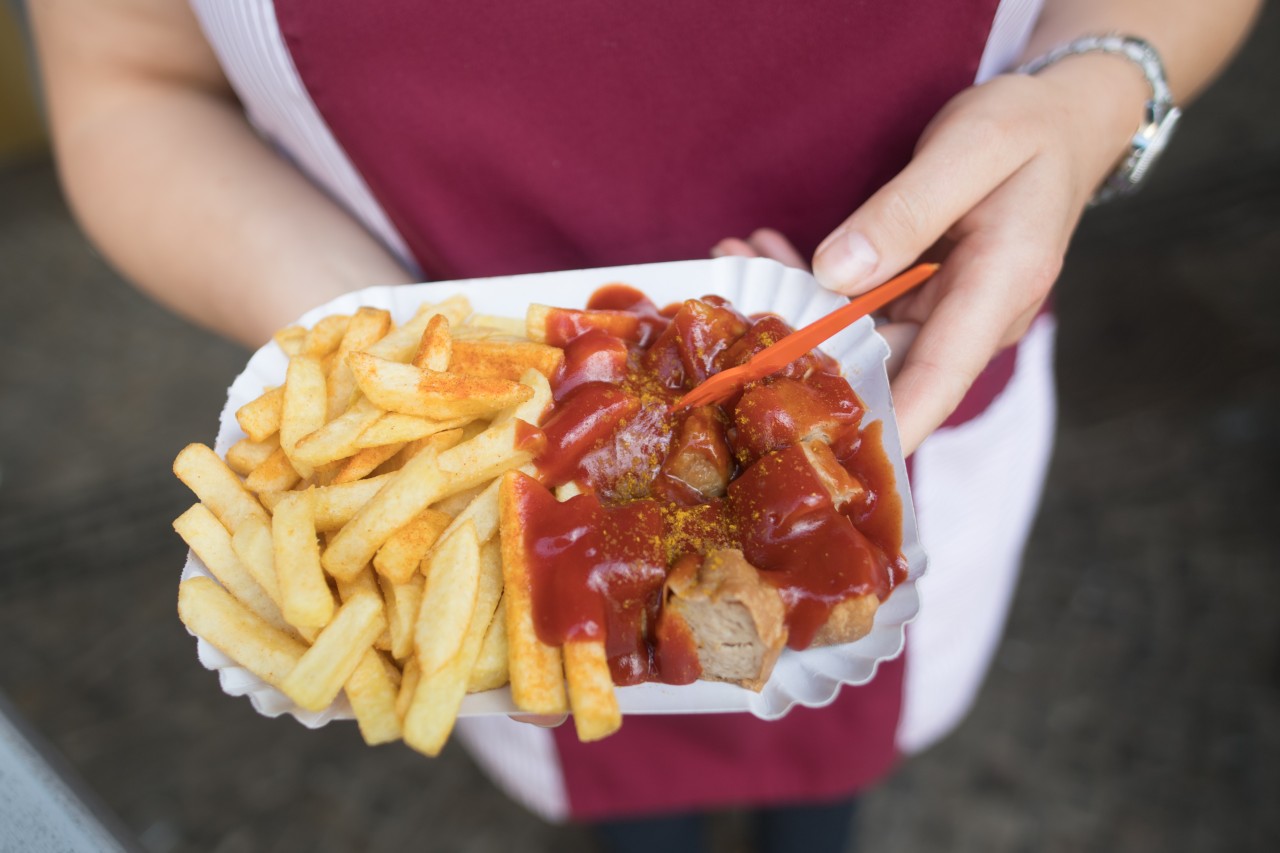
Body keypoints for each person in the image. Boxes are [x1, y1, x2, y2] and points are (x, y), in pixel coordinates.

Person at [27, 1, 1260, 850]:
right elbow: (128, 83)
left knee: (837, 746)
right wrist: (399, 354)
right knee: (614, 784)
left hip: (932, 393)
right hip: (458, 507)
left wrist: (1097, 90)